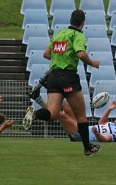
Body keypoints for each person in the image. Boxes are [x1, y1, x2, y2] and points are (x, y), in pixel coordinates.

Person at [24, 10, 100, 156]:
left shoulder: (59, 34)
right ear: (82, 23)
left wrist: (59, 59)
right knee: (81, 116)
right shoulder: (77, 35)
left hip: (53, 76)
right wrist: (92, 63)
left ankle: (35, 114)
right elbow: (81, 54)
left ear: (71, 20)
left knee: (52, 114)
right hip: (68, 76)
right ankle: (87, 148)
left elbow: (46, 54)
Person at [28, 93, 116, 143]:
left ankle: (34, 115)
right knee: (66, 106)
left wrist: (97, 133)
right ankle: (38, 98)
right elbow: (101, 122)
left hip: (80, 135)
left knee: (61, 115)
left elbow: (107, 139)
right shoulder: (113, 125)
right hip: (81, 129)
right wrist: (109, 109)